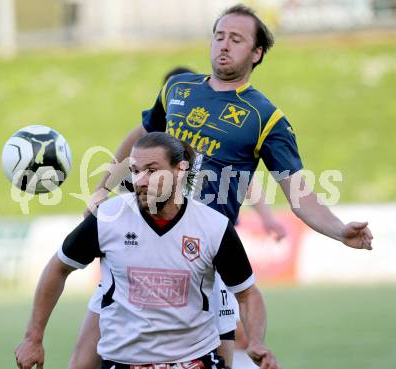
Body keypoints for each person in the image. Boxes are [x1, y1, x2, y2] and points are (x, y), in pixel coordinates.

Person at [80, 4, 373, 368]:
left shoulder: (266, 118)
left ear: (256, 53)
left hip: (201, 254)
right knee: (84, 358)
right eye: (219, 36)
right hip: (141, 240)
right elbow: (140, 136)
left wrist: (339, 230)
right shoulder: (177, 88)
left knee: (225, 353)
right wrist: (101, 189)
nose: (223, 45)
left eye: (236, 39)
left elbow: (301, 196)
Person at [15, 132, 281, 369]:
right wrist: (33, 338)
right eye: (135, 171)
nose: (140, 180)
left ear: (180, 170)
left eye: (152, 171)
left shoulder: (213, 227)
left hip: (194, 361)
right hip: (123, 362)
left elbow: (247, 294)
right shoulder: (109, 217)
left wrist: (257, 340)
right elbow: (59, 267)